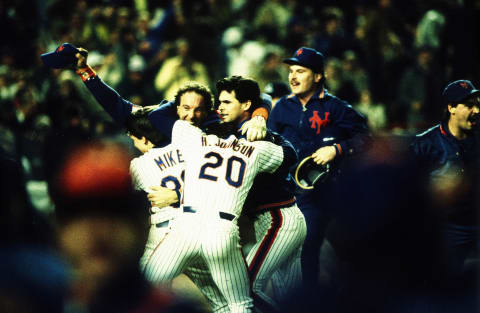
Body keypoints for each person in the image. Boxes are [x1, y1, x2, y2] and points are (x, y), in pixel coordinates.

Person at [142, 82, 298, 313]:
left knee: (142, 288)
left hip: (185, 227)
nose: (220, 112)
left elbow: (159, 115)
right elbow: (289, 155)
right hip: (223, 231)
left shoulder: (192, 137)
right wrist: (261, 117)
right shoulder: (257, 148)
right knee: (241, 302)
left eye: (225, 105)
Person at [50, 140, 202, 313]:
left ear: (139, 225)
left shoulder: (177, 310)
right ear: (60, 230)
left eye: (115, 212)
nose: (99, 230)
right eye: (80, 214)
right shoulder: (39, 303)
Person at [267, 47, 372, 287]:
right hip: (296, 192)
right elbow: (270, 144)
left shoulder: (336, 107)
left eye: (300, 71)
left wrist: (337, 149)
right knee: (306, 251)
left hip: (332, 189)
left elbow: (367, 139)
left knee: (346, 251)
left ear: (317, 76)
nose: (292, 76)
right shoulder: (282, 107)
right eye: (291, 71)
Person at [124, 107, 230, 313]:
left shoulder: (139, 164)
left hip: (167, 236)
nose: (134, 144)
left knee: (142, 295)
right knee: (221, 300)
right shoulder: (190, 150)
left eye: (135, 139)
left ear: (145, 139)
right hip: (200, 229)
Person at [215, 76, 306, 312]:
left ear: (245, 104)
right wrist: (260, 114)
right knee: (292, 300)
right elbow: (263, 98)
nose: (219, 107)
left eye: (226, 102)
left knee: (242, 288)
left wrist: (261, 122)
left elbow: (290, 154)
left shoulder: (256, 134)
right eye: (219, 102)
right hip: (280, 219)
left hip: (278, 219)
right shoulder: (232, 129)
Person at [409, 79, 480, 290]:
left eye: (478, 104)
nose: (477, 110)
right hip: (446, 227)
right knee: (440, 286)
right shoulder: (425, 144)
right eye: (469, 105)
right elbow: (408, 192)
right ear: (451, 108)